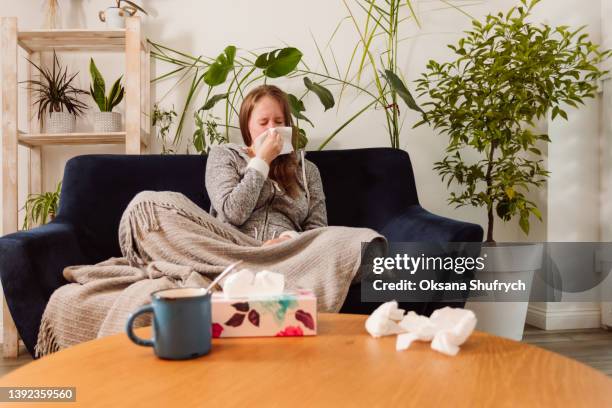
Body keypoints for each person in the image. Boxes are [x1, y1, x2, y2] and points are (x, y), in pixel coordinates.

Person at [205, 84, 327, 246]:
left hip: (288, 253)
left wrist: (289, 239)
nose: (272, 130)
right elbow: (233, 214)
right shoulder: (224, 155)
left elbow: (318, 229)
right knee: (166, 202)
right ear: (247, 125)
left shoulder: (307, 170)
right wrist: (262, 161)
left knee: (364, 238)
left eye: (278, 121)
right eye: (263, 122)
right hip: (232, 247)